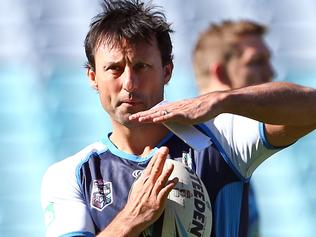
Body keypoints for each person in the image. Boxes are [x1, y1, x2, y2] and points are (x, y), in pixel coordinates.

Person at [41, 1, 316, 237]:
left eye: (142, 67)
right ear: (93, 77)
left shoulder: (219, 139)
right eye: (114, 69)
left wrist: (224, 100)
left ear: (167, 72)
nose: (129, 83)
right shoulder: (70, 174)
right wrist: (132, 219)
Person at [192, 20, 274, 237]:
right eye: (257, 62)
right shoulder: (189, 152)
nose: (271, 73)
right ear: (221, 73)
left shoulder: (234, 146)